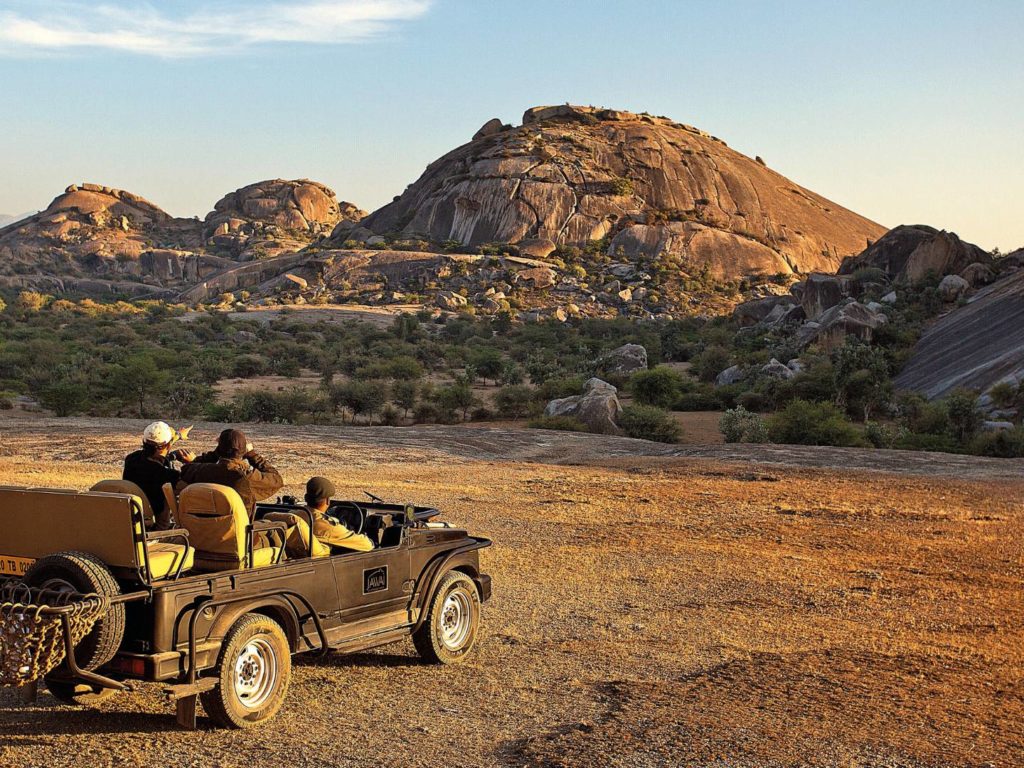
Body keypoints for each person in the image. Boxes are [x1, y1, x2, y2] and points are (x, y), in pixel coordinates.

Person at [180, 428, 283, 517]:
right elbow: (277, 479)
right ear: (244, 451)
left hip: (204, 533)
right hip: (238, 534)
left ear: (219, 449)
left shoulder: (201, 471)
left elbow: (185, 469)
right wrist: (252, 455)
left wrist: (215, 455)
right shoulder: (245, 477)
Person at [123, 421, 195, 529]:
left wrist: (178, 436)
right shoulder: (165, 474)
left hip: (134, 520)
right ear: (168, 445)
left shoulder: (131, 459)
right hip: (157, 528)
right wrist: (193, 463)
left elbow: (156, 451)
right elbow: (191, 484)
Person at [304, 476, 374, 553]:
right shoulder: (327, 526)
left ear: (306, 498)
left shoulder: (295, 515)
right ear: (327, 501)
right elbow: (366, 545)